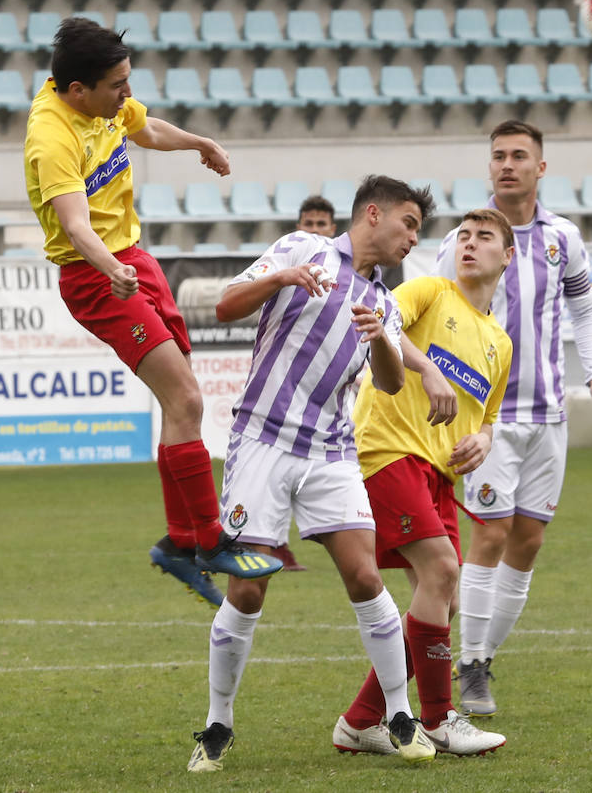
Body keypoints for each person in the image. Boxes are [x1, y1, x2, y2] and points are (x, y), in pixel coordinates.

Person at [23, 17, 283, 611]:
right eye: (117, 85)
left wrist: (199, 144)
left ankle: (180, 541)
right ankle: (212, 539)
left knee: (178, 403)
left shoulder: (102, 102)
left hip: (133, 259)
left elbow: (145, 130)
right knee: (189, 400)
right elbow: (74, 224)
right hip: (96, 275)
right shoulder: (52, 136)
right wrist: (111, 271)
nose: (126, 94)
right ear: (77, 90)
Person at [187, 175, 439, 772]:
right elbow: (225, 304)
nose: (411, 238)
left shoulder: (383, 300)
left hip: (331, 450)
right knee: (248, 587)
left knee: (364, 576)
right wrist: (280, 278)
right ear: (373, 214)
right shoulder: (306, 248)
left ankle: (400, 715)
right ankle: (217, 725)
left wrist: (381, 340)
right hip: (263, 440)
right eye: (408, 224)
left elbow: (389, 380)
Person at [433, 120, 592, 717]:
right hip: (488, 420)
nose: (507, 164)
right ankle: (470, 666)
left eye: (519, 156)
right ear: (488, 169)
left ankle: (479, 660)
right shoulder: (464, 238)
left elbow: (583, 308)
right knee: (488, 534)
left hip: (550, 416)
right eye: (498, 156)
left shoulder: (563, 237)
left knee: (529, 541)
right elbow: (431, 313)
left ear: (541, 168)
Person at [333, 209, 513, 758]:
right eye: (463, 235)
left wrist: (484, 440)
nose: (470, 244)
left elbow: (488, 417)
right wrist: (427, 369)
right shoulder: (431, 291)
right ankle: (437, 718)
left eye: (485, 238)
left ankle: (362, 720)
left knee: (445, 597)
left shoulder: (499, 344)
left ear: (507, 257)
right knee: (441, 570)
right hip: (387, 450)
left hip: (436, 471)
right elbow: (380, 317)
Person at [263, 194, 339, 572]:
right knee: (277, 461)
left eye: (320, 224)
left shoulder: (347, 272)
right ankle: (274, 543)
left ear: (334, 229)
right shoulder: (286, 266)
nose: (313, 230)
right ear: (298, 228)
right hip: (286, 383)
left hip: (330, 386)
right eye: (307, 224)